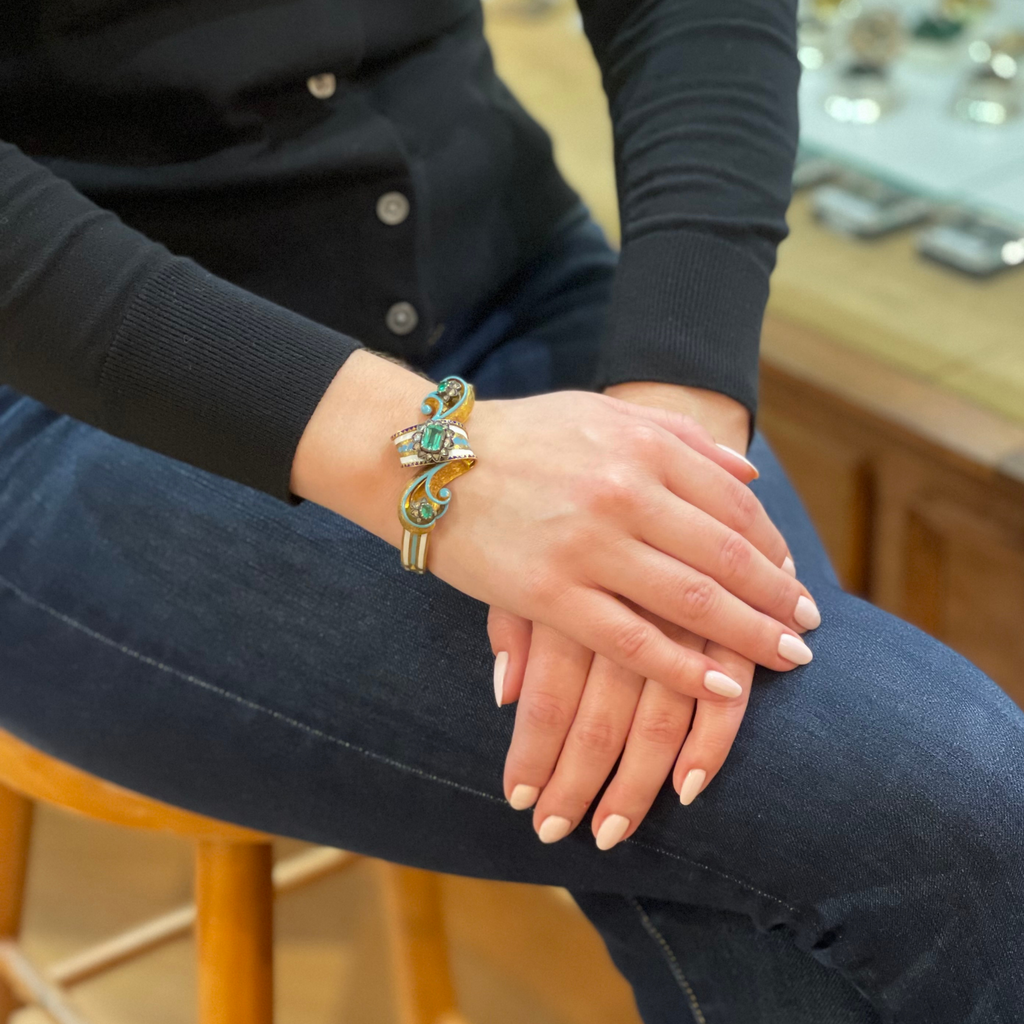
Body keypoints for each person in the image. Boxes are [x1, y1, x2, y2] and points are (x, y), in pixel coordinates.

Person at [1, 1, 1021, 1021]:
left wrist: (671, 411)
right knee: (919, 802)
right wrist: (438, 460)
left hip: (504, 286)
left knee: (797, 823)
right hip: (76, 388)